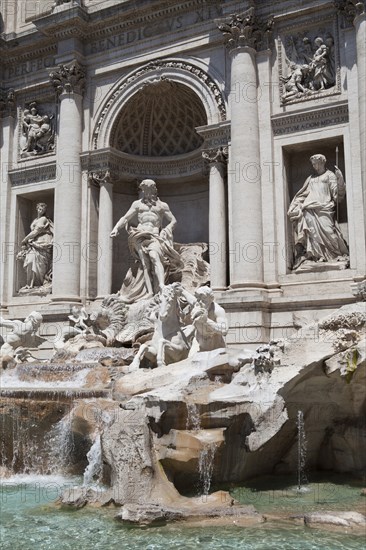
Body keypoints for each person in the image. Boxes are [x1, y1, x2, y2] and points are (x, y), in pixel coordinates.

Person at [110, 179, 183, 302]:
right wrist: (116, 228)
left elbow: (173, 220)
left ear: (154, 190)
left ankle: (161, 286)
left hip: (154, 236)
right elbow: (126, 217)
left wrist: (167, 229)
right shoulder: (137, 204)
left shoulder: (162, 205)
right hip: (139, 235)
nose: (147, 193)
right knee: (145, 264)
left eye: (149, 190)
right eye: (145, 190)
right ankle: (149, 292)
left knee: (154, 256)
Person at [288, 154, 349, 270]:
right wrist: (296, 204)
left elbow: (338, 195)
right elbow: (302, 194)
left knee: (329, 231)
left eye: (316, 163)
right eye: (313, 164)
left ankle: (335, 254)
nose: (314, 166)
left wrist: (340, 179)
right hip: (309, 208)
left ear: (322, 162)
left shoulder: (330, 175)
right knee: (312, 233)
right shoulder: (311, 178)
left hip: (324, 208)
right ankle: (317, 256)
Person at [176, 284, 228, 352]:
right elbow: (190, 298)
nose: (200, 302)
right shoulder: (197, 304)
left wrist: (206, 320)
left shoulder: (218, 310)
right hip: (199, 343)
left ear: (211, 299)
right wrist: (181, 290)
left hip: (215, 345)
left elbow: (224, 330)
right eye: (198, 299)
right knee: (191, 360)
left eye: (204, 300)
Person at [17, 203, 53, 289]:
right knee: (30, 261)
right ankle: (30, 284)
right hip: (34, 243)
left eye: (43, 210)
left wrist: (25, 239)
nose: (41, 211)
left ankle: (38, 283)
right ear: (37, 209)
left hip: (43, 242)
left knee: (39, 263)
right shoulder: (35, 220)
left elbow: (36, 231)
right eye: (40, 209)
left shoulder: (43, 219)